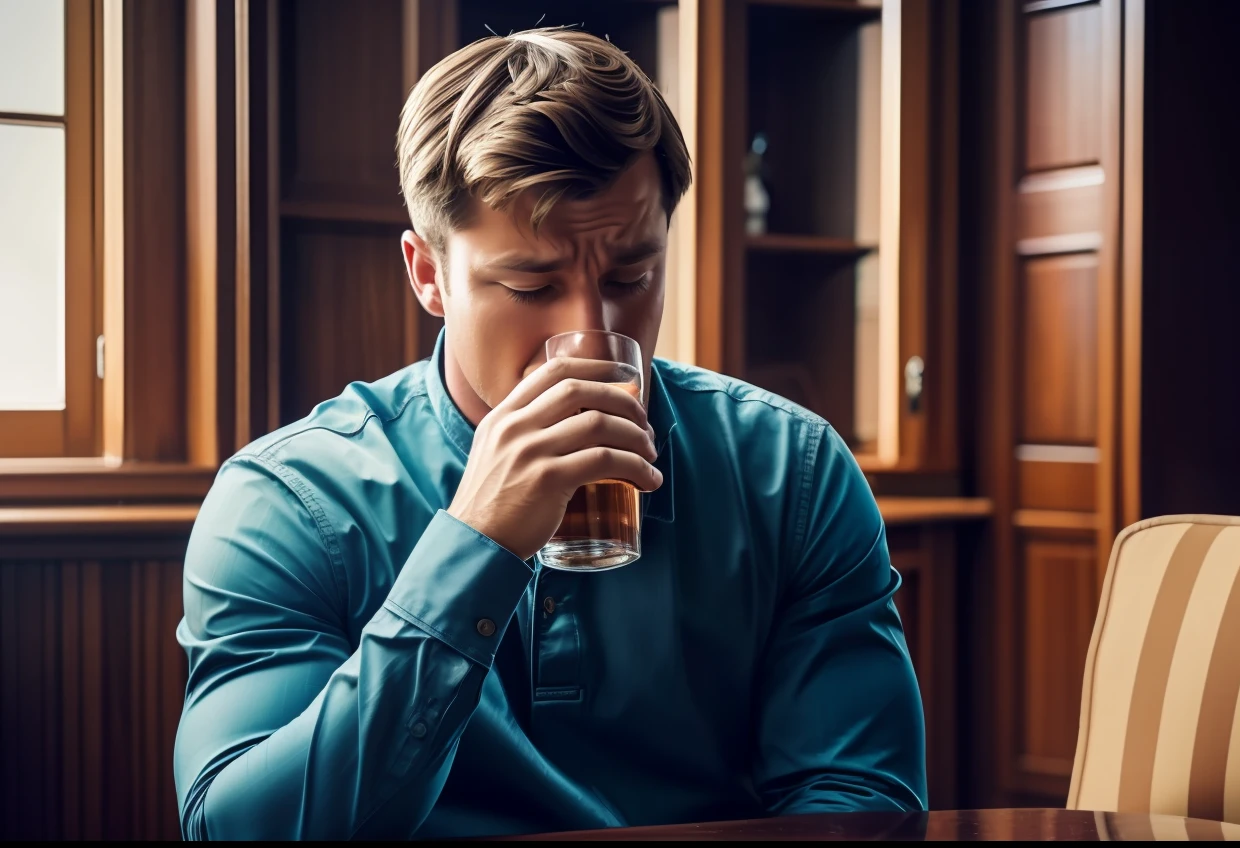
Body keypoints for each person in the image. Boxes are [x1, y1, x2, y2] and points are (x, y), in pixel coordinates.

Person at [172, 27, 925, 840]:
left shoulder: (793, 473)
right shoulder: (290, 502)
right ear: (428, 273)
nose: (592, 337)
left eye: (632, 277)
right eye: (532, 284)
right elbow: (239, 830)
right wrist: (474, 547)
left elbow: (862, 805)